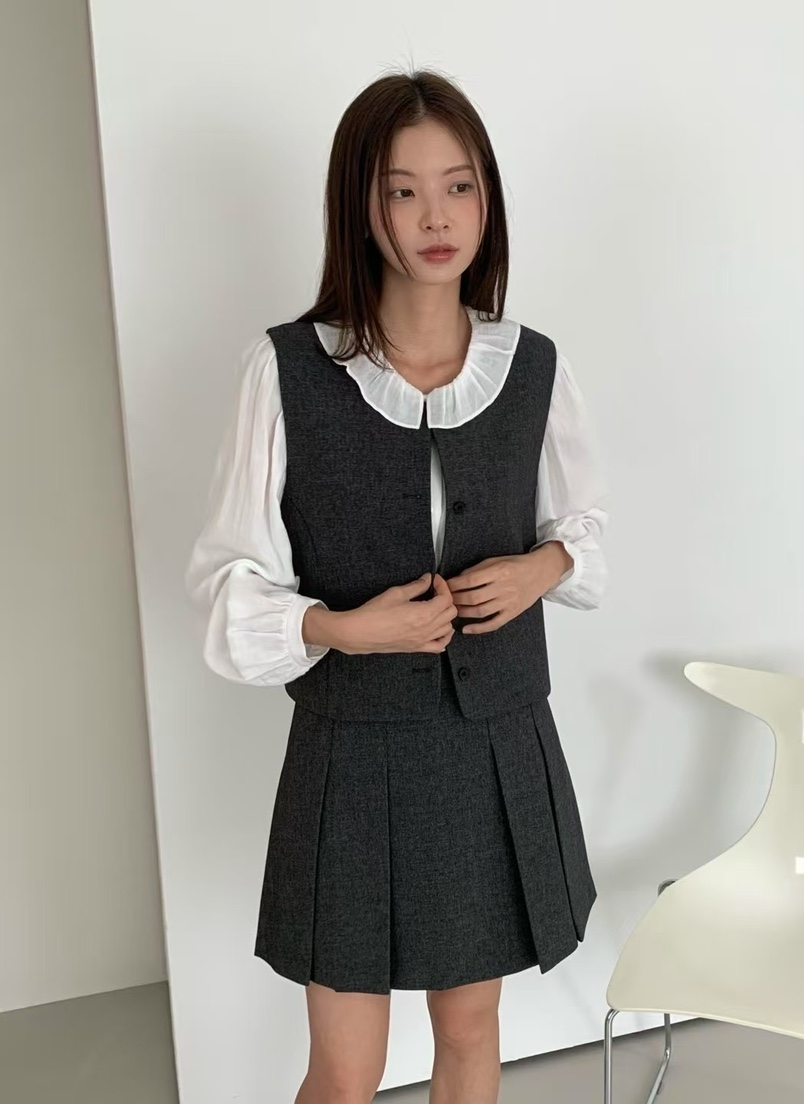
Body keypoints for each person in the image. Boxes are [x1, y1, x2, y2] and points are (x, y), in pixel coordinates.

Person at [185, 67, 608, 1104]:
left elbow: (586, 531)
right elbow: (227, 583)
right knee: (345, 1069)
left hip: (490, 742)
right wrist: (342, 628)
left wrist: (544, 567)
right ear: (359, 207)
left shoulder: (533, 367)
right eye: (403, 191)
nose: (436, 218)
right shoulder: (285, 370)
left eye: (459, 187)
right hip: (352, 749)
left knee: (470, 1029)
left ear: (487, 199)